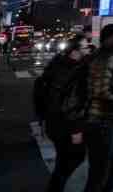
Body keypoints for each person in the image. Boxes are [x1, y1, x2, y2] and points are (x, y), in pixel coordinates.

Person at [33, 35, 90, 192]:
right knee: (74, 158)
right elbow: (70, 103)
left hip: (53, 122)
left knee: (63, 159)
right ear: (75, 51)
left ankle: (55, 187)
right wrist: (76, 129)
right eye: (85, 47)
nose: (88, 50)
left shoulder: (58, 64)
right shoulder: (72, 71)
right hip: (65, 125)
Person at [84, 24, 113, 190]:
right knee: (100, 173)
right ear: (108, 39)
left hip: (108, 120)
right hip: (99, 122)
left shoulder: (110, 56)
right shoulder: (107, 57)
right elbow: (100, 91)